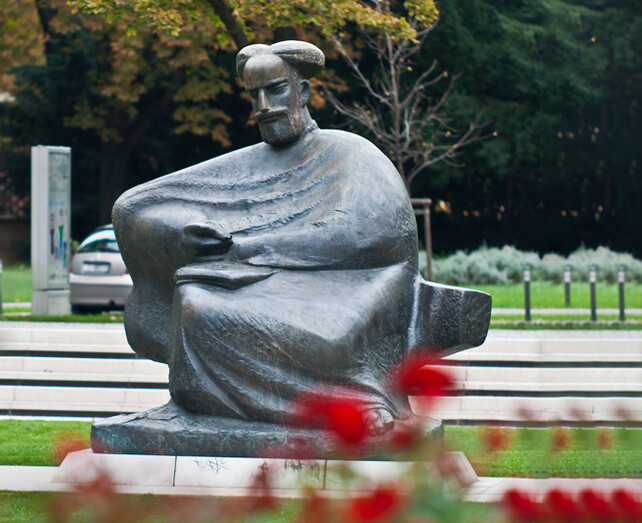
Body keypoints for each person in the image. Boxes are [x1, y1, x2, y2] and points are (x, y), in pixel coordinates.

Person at [110, 41, 489, 438]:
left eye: (276, 90)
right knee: (194, 303)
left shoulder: (352, 154)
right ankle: (208, 406)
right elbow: (138, 206)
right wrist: (185, 233)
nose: (264, 106)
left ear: (303, 92)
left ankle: (355, 402)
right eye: (254, 95)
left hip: (352, 297)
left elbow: (371, 236)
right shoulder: (247, 163)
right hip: (267, 288)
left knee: (219, 314)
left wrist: (245, 248)